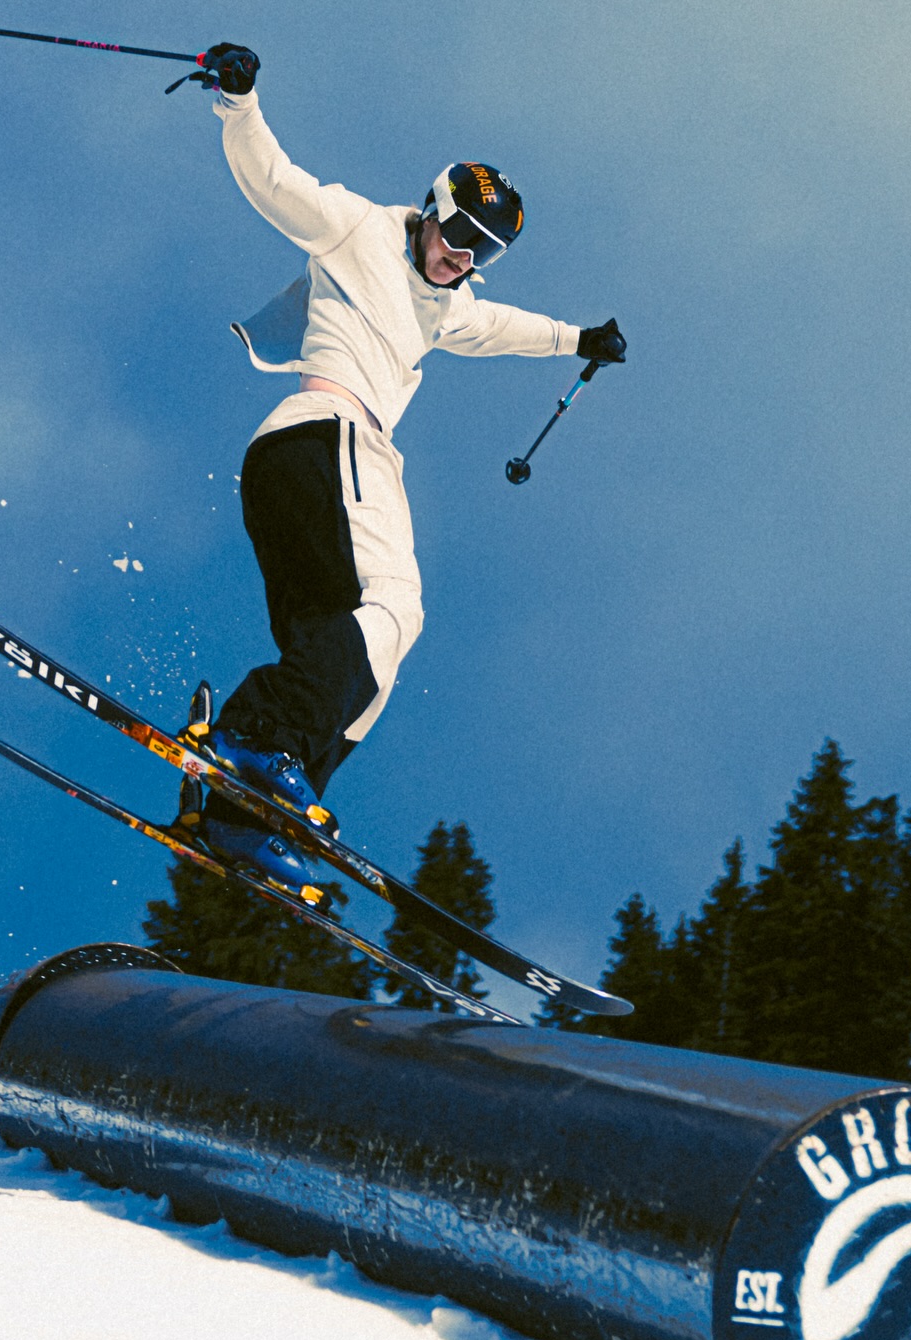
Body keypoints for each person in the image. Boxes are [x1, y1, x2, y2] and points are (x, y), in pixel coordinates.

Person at [179, 43, 626, 896]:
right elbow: (273, 181)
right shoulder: (359, 230)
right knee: (396, 607)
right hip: (329, 436)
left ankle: (248, 810)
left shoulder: (445, 304)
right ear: (431, 209)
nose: (463, 258)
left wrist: (578, 339)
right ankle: (253, 735)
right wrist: (238, 101)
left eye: (483, 253)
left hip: (289, 471)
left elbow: (496, 327)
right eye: (459, 234)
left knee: (359, 668)